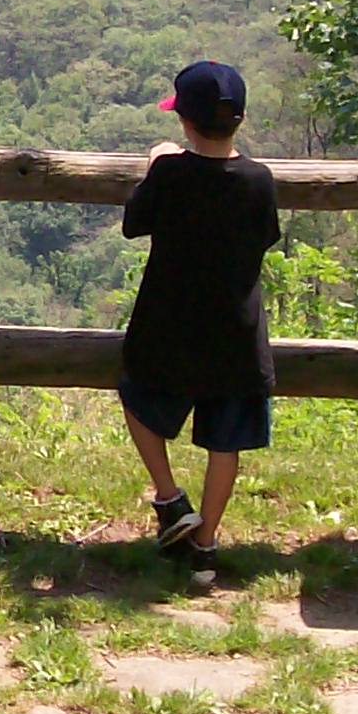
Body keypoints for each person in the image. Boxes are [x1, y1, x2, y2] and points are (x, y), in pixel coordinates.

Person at [117, 59, 282, 588]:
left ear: (184, 122)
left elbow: (133, 223)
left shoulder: (171, 172)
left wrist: (156, 164)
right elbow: (265, 236)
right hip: (235, 331)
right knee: (224, 442)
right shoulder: (259, 180)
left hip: (168, 325)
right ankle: (206, 546)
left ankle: (170, 500)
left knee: (137, 398)